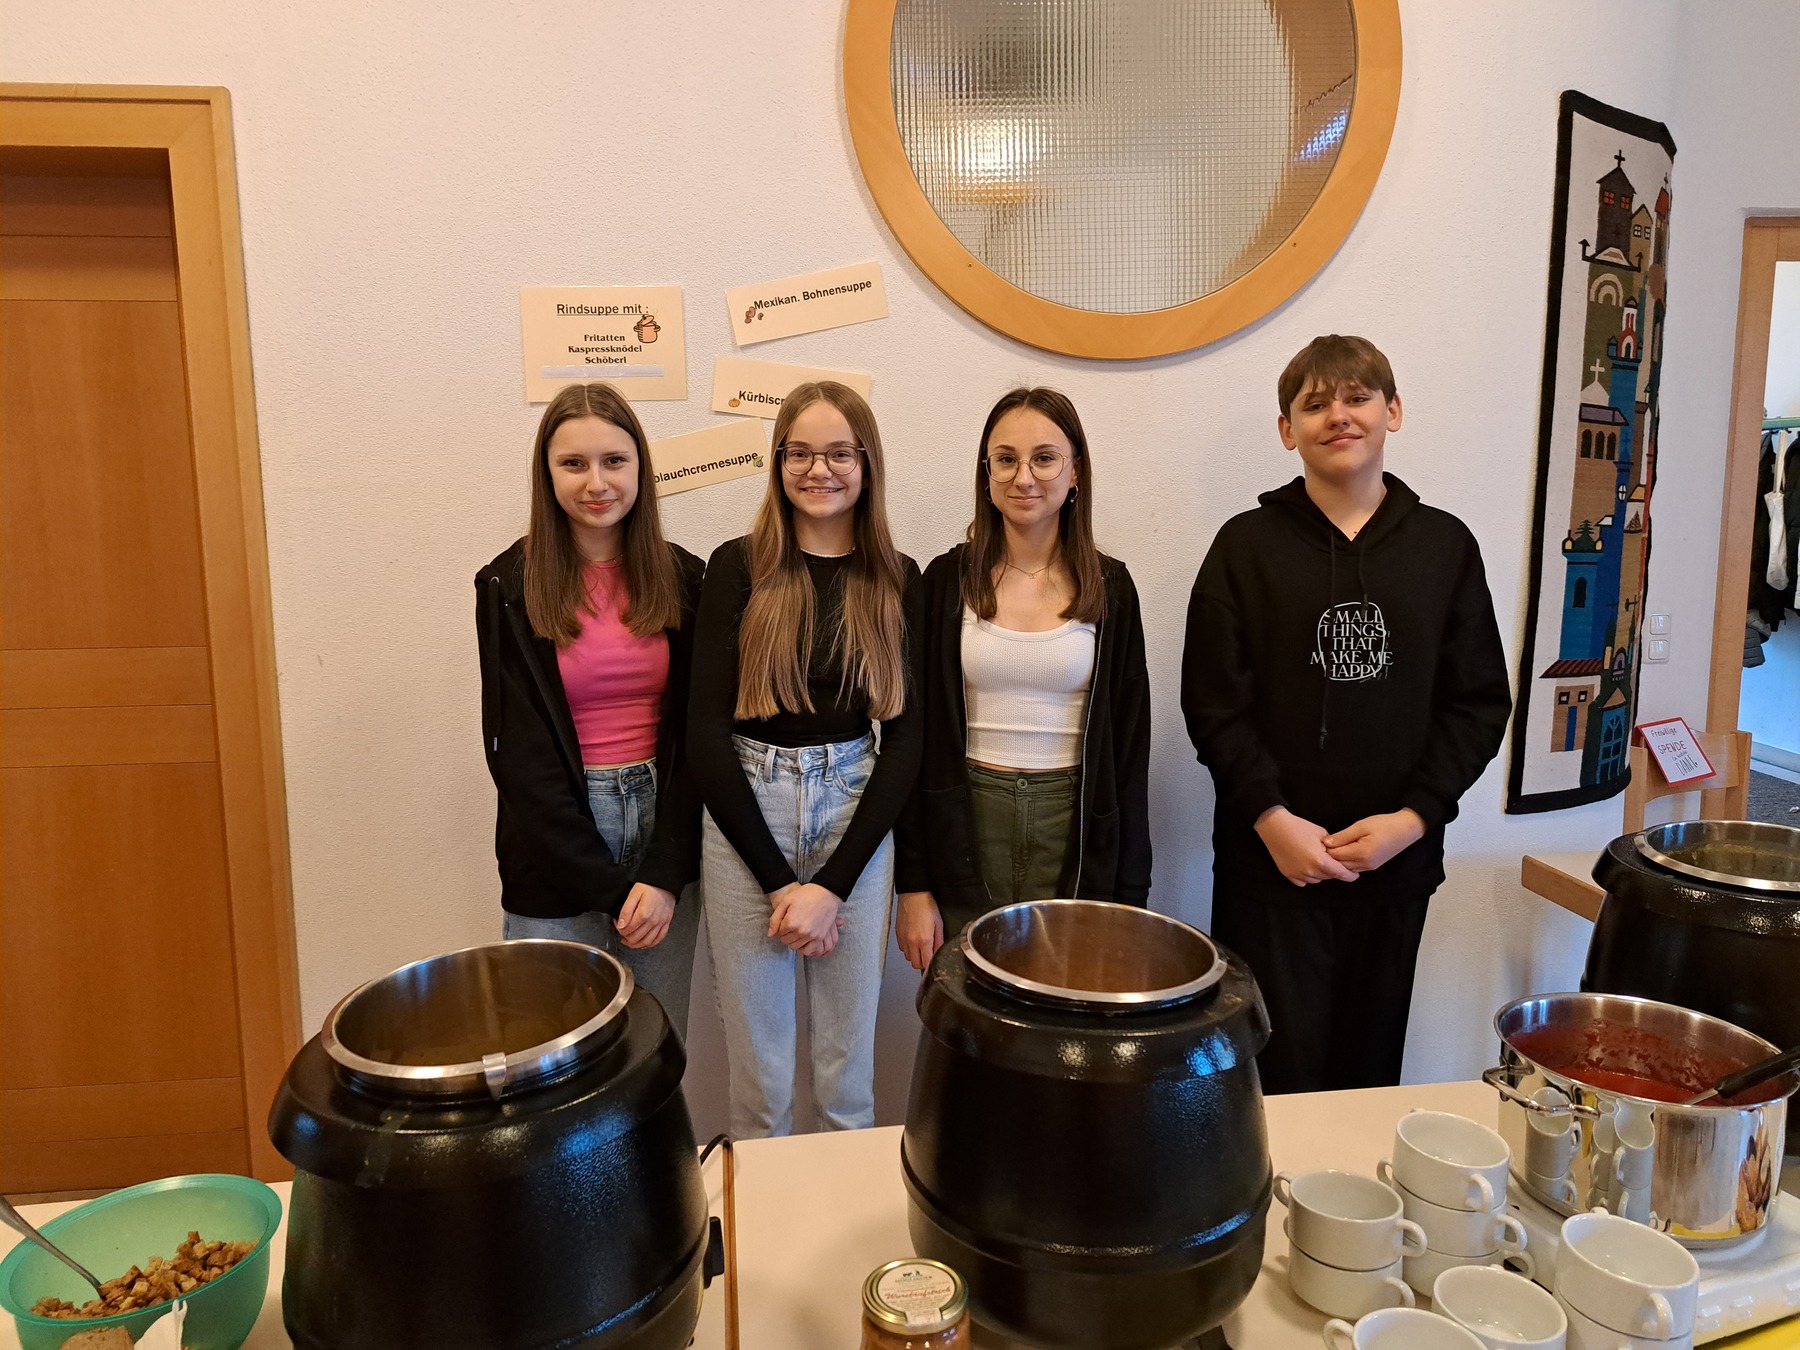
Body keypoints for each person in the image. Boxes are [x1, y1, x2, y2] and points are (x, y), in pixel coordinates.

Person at [1180, 335, 1510, 1094]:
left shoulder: (1445, 547)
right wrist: (1271, 819)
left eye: (1358, 398)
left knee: (1367, 1074)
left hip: (1395, 867)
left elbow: (1478, 702)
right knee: (1266, 1079)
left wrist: (1415, 818)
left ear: (1393, 412)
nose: (1339, 416)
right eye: (1315, 404)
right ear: (1286, 429)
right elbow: (1213, 704)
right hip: (1269, 869)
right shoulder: (1244, 547)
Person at [687, 381, 924, 1138]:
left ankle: (840, 1215)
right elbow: (703, 735)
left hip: (855, 811)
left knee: (845, 1086)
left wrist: (831, 888)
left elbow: (907, 743)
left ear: (867, 462)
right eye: (800, 453)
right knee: (760, 1088)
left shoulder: (897, 578)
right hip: (745, 815)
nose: (818, 470)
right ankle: (766, 1218)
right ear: (778, 461)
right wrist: (780, 885)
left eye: (839, 453)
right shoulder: (738, 568)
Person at [476, 381, 706, 1037]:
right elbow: (518, 757)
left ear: (640, 469)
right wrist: (611, 892)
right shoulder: (507, 586)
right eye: (573, 463)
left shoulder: (686, 578)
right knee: (554, 1059)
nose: (596, 482)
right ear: (547, 474)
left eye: (614, 461)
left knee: (655, 1047)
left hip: (663, 832)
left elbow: (698, 738)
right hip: (554, 845)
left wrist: (662, 875)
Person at [894, 387, 1152, 970]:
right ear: (986, 473)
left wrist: (1130, 897)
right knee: (968, 1003)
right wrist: (913, 884)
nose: (1024, 477)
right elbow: (913, 736)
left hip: (1074, 822)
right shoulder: (945, 581)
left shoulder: (1111, 587)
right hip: (965, 819)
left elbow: (1131, 749)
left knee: (1064, 1002)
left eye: (1044, 458)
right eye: (1005, 459)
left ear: (1075, 471)